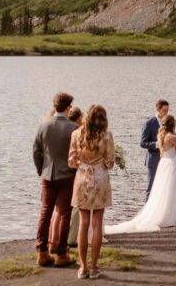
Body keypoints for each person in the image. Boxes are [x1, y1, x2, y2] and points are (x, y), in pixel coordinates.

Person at [106, 114, 176, 234]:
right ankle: (174, 214)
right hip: (172, 164)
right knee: (174, 189)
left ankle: (164, 213)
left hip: (163, 163)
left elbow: (170, 151)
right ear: (173, 124)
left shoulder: (160, 135)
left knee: (162, 190)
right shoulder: (173, 137)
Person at [69, 104, 116, 279]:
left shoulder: (75, 134)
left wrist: (83, 163)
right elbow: (110, 163)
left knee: (83, 223)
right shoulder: (107, 136)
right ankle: (94, 267)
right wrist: (101, 161)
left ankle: (83, 268)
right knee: (97, 224)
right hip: (100, 178)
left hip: (82, 178)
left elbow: (71, 162)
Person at [32, 92, 78, 268]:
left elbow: (36, 151)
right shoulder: (74, 128)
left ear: (54, 106)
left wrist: (41, 170)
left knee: (45, 213)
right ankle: (61, 253)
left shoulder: (43, 126)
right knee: (65, 213)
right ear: (68, 108)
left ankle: (42, 252)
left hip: (47, 175)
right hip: (67, 175)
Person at [140, 99, 170, 200]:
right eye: (164, 110)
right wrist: (158, 144)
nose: (166, 113)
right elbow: (143, 143)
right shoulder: (149, 123)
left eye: (167, 110)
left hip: (165, 160)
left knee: (163, 188)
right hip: (153, 160)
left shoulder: (166, 123)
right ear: (158, 109)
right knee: (151, 188)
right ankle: (146, 213)